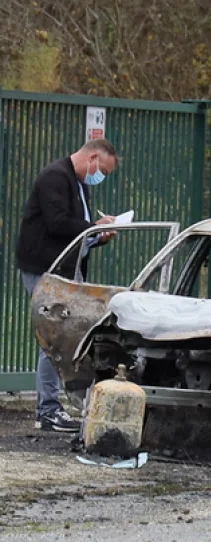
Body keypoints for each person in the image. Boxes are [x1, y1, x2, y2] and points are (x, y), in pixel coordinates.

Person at [16, 140, 119, 433]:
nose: (101, 177)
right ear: (93, 157)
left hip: (65, 271)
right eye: (103, 171)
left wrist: (98, 237)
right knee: (54, 339)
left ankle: (55, 407)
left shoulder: (76, 181)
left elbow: (75, 231)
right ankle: (48, 410)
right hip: (46, 271)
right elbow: (58, 223)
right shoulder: (55, 177)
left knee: (66, 339)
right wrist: (95, 227)